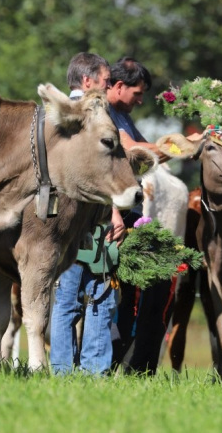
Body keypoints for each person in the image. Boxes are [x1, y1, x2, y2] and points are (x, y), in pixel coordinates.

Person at [49, 52, 125, 375]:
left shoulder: (60, 116)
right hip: (79, 220)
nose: (109, 87)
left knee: (89, 296)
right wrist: (114, 210)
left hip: (78, 220)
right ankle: (83, 370)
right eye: (106, 81)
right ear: (87, 80)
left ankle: (74, 371)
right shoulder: (80, 117)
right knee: (81, 297)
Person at [105, 56, 172, 375]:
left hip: (129, 214)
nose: (141, 100)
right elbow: (134, 151)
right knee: (131, 289)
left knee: (158, 275)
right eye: (138, 93)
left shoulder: (123, 115)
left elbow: (146, 151)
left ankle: (138, 363)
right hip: (113, 216)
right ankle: (120, 360)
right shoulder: (106, 113)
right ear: (119, 86)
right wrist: (177, 146)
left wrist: (174, 147)